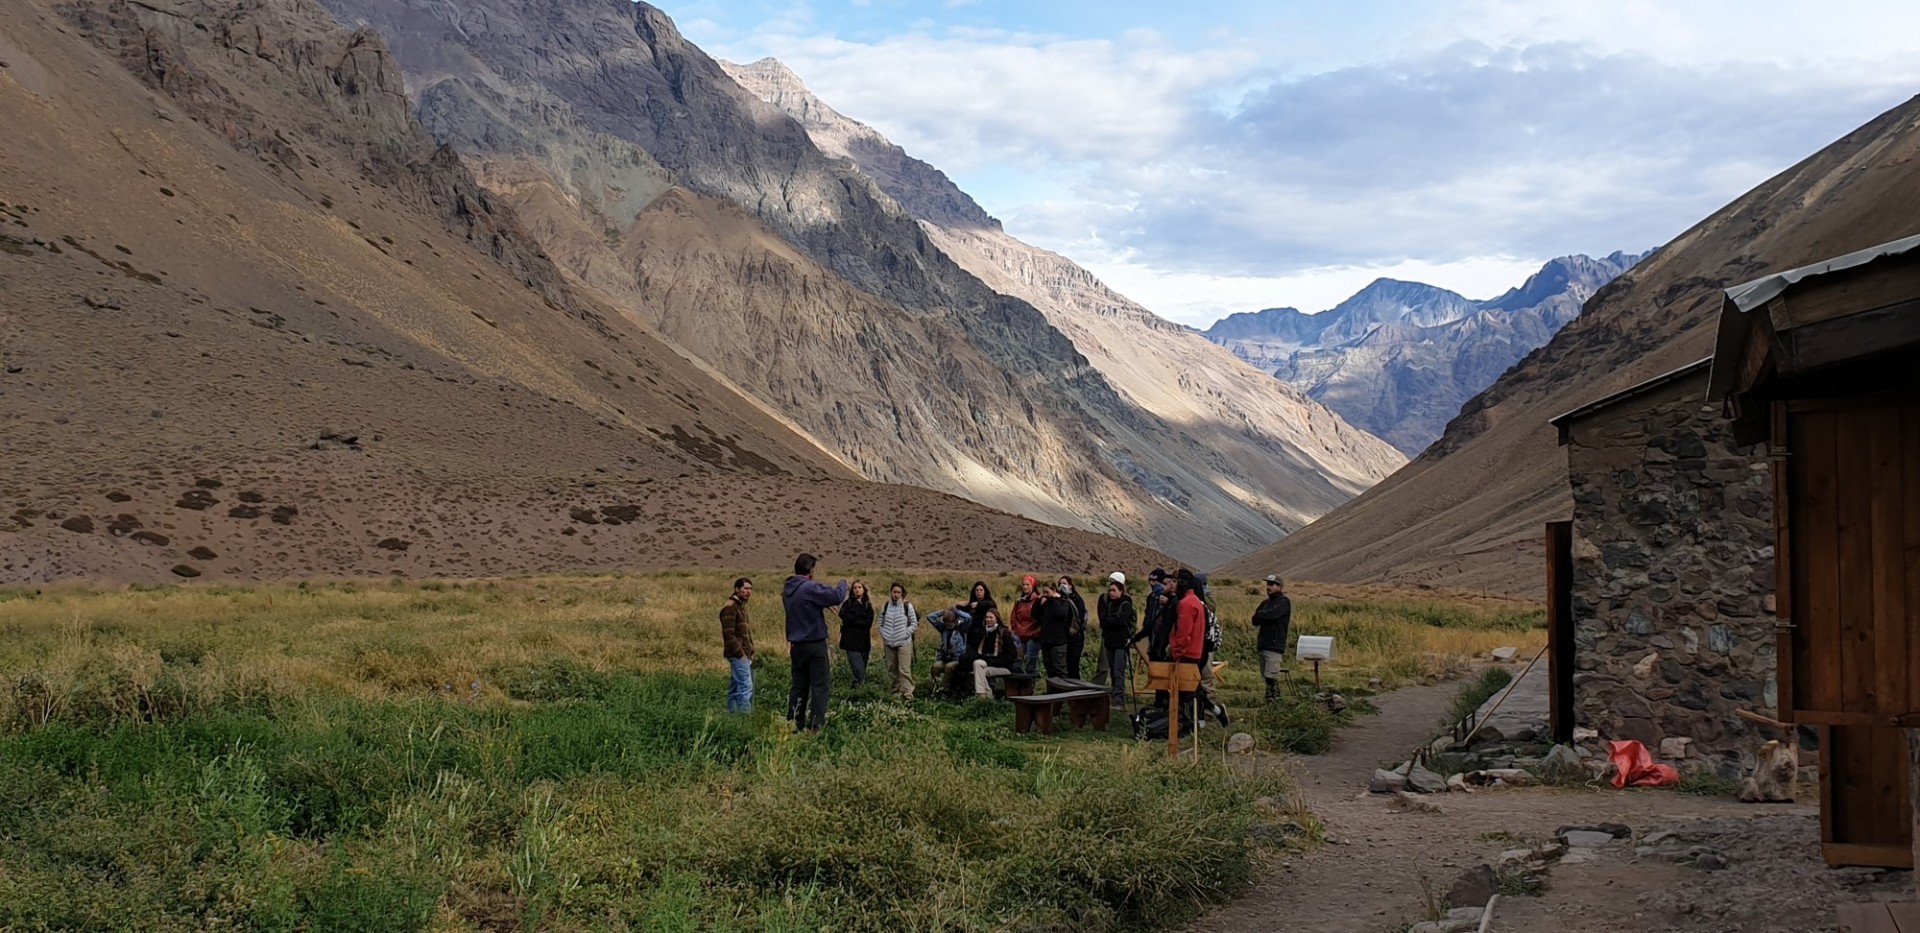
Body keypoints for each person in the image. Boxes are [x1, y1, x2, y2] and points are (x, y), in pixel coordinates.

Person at [784, 553, 849, 733]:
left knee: (799, 686)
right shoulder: (809, 588)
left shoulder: (789, 589)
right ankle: (816, 726)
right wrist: (844, 582)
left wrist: (820, 604)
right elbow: (837, 595)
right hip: (814, 643)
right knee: (819, 685)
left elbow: (805, 605)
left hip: (796, 645)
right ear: (811, 570)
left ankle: (793, 723)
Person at [1167, 570, 1208, 723]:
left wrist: (1175, 651)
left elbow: (1184, 633)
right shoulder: (1196, 600)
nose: (1173, 586)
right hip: (1195, 652)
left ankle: (1188, 723)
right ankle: (1199, 720)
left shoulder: (1186, 603)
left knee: (1186, 693)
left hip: (1186, 653)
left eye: (1175, 582)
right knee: (1193, 690)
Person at [1192, 571, 1230, 727]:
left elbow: (1212, 609)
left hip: (1206, 645)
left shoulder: (1208, 597)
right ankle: (1200, 711)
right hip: (1196, 645)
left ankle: (1209, 713)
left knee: (1206, 678)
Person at [1096, 572, 1136, 703]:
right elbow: (1103, 619)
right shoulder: (1106, 601)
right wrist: (1110, 622)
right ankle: (1114, 693)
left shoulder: (1126, 604)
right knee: (1112, 669)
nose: (1111, 593)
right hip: (1109, 640)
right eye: (1110, 590)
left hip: (1121, 641)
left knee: (1118, 670)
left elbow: (1120, 620)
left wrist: (1110, 621)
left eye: (1114, 590)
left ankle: (1119, 697)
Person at [1253, 574, 1293, 701]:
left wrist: (1263, 615)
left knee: (1271, 675)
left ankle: (1274, 699)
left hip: (1275, 645)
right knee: (1265, 675)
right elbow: (1254, 619)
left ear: (1279, 587)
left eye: (1271, 585)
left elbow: (1272, 615)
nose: (1268, 587)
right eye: (1267, 584)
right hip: (1263, 643)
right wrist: (1264, 615)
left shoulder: (1284, 602)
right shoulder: (1265, 603)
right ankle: (1271, 699)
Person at [877, 582, 920, 699]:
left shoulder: (907, 606)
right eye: (894, 592)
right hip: (888, 642)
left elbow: (914, 623)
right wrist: (884, 634)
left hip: (904, 643)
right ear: (891, 592)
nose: (896, 595)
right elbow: (880, 622)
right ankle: (895, 691)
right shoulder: (886, 606)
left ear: (902, 594)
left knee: (904, 669)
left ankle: (907, 693)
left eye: (898, 592)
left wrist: (905, 634)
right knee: (892, 668)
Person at [719, 577, 755, 713]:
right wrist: (741, 654)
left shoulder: (741, 606)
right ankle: (744, 717)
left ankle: (732, 716)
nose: (748, 592)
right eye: (745, 588)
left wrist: (750, 649)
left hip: (744, 653)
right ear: (737, 589)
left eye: (750, 589)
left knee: (735, 686)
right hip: (738, 654)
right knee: (746, 685)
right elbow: (729, 635)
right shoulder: (730, 608)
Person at [970, 608, 1020, 698]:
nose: (988, 620)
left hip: (1004, 666)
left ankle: (983, 696)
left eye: (991, 618)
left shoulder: (1004, 633)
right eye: (987, 617)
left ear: (997, 619)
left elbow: (1012, 655)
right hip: (990, 664)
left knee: (979, 671)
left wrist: (994, 661)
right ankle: (986, 695)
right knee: (977, 665)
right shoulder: (985, 633)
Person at [1035, 580, 1075, 681]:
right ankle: (1052, 693)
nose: (1045, 595)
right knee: (1049, 669)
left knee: (1060, 670)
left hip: (1058, 642)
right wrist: (1038, 602)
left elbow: (1061, 614)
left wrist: (1054, 600)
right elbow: (1035, 615)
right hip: (1046, 641)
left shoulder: (1062, 602)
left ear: (1054, 590)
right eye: (1044, 592)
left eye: (1047, 592)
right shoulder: (1045, 603)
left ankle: (1063, 693)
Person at [929, 607, 972, 696]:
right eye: (946, 624)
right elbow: (930, 617)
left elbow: (968, 618)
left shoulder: (961, 628)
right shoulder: (943, 628)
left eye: (950, 625)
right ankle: (935, 686)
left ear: (955, 621)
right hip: (945, 657)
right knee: (935, 667)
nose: (948, 627)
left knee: (949, 667)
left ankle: (945, 689)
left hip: (958, 658)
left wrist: (956, 612)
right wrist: (943, 611)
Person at [838, 580, 874, 687]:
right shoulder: (848, 604)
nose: (857, 589)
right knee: (859, 670)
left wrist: (853, 620)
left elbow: (868, 623)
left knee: (862, 669)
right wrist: (857, 615)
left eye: (859, 587)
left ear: (864, 590)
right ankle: (861, 691)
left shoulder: (867, 606)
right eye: (855, 587)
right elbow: (844, 616)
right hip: (850, 642)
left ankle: (857, 689)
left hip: (864, 642)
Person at [1008, 575, 1041, 675]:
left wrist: (1037, 632)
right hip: (1019, 635)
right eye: (1023, 584)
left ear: (1033, 585)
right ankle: (1020, 684)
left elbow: (1041, 618)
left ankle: (1031, 685)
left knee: (1031, 661)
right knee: (1016, 661)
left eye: (1028, 584)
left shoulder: (1038, 600)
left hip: (1033, 635)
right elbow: (1013, 617)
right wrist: (1015, 631)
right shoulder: (1019, 601)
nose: (1025, 587)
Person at [1057, 576, 1089, 679]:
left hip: (1075, 637)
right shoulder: (1058, 600)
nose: (1062, 586)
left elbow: (1079, 617)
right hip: (1062, 637)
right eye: (1060, 584)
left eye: (1065, 583)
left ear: (1070, 585)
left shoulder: (1077, 599)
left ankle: (1076, 687)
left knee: (1073, 664)